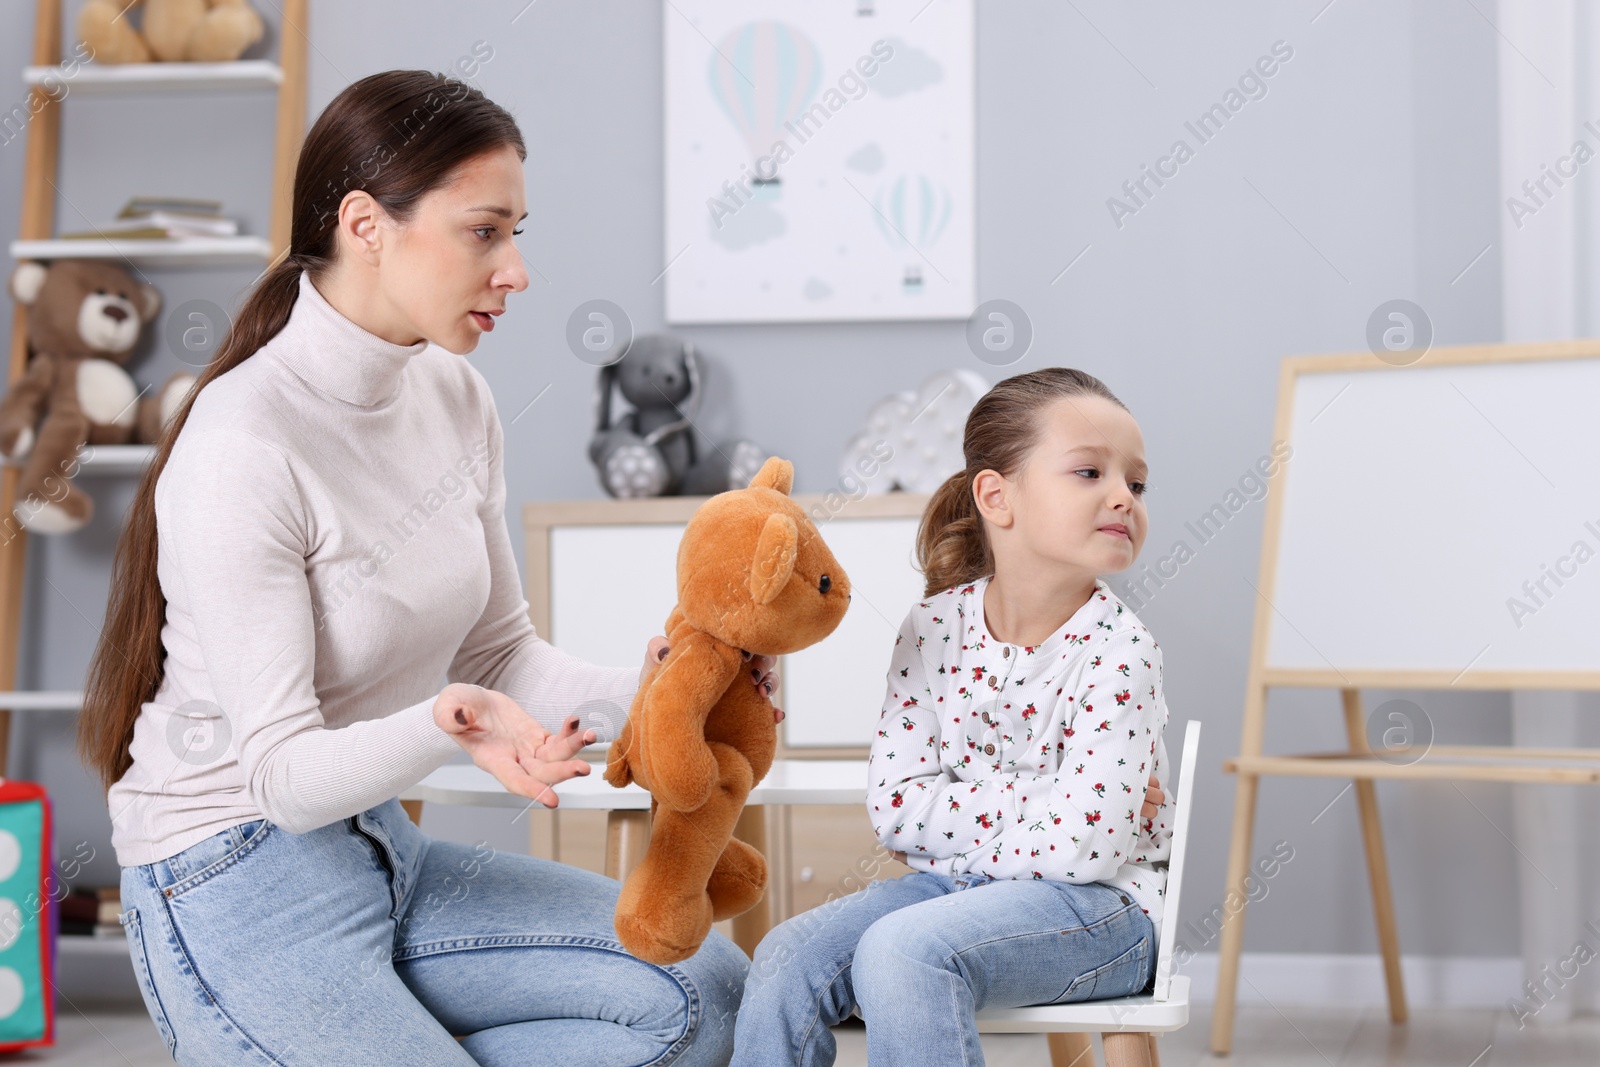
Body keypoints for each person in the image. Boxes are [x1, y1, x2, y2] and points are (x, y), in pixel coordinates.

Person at [76, 69, 767, 1067]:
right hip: (230, 875)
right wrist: (448, 722)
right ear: (365, 225)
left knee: (711, 992)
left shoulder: (454, 397)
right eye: (485, 231)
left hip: (379, 852)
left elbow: (500, 654)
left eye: (517, 232)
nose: (517, 270)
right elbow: (279, 775)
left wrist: (674, 686)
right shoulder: (244, 444)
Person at [730, 368, 1176, 1066]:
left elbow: (1085, 851)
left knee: (904, 949)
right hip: (956, 891)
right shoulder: (931, 629)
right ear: (998, 496)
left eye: (1137, 483)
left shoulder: (1123, 653)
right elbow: (897, 808)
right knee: (786, 954)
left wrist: (959, 824)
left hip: (1103, 911)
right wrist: (1045, 800)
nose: (1123, 495)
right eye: (1090, 471)